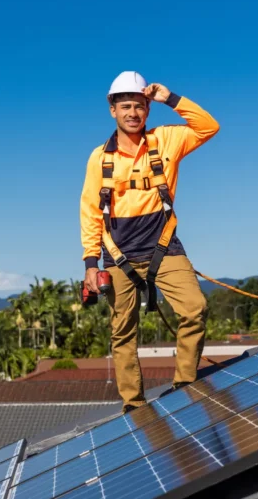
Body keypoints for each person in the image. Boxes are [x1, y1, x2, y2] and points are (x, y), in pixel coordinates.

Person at [79, 71, 220, 412]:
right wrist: (90, 263)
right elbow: (90, 210)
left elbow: (208, 127)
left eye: (139, 106)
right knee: (122, 332)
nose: (133, 113)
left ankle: (185, 383)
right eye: (125, 106)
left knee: (195, 308)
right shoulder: (100, 158)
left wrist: (170, 98)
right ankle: (134, 404)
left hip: (164, 247)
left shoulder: (166, 140)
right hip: (119, 254)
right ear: (113, 110)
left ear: (148, 109)